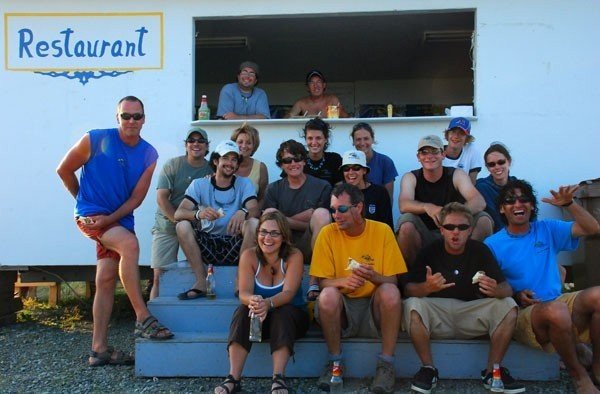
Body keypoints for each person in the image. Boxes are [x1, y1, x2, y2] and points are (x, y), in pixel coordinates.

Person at [56, 96, 173, 366]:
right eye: (125, 116)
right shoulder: (95, 139)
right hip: (93, 217)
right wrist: (83, 204)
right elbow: (64, 170)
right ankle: (143, 317)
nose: (131, 121)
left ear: (144, 118)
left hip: (118, 219)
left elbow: (135, 200)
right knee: (130, 246)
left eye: (137, 116)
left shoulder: (149, 154)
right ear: (117, 117)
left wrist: (110, 217)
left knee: (106, 280)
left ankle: (99, 350)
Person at [485, 179, 600, 394]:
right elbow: (494, 289)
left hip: (557, 303)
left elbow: (592, 228)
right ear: (502, 208)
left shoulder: (547, 229)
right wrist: (517, 295)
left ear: (531, 206)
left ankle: (597, 367)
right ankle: (579, 375)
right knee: (557, 310)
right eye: (510, 200)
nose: (518, 204)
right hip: (524, 314)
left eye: (524, 199)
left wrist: (569, 204)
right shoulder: (492, 244)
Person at [401, 202, 524, 394]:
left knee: (508, 304)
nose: (455, 232)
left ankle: (493, 370)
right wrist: (427, 287)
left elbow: (507, 287)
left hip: (472, 311)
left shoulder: (480, 250)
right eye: (450, 227)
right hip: (437, 314)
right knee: (412, 305)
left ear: (470, 230)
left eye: (462, 227)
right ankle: (428, 369)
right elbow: (407, 289)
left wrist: (496, 290)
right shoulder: (430, 251)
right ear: (441, 230)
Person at [310, 183, 407, 393]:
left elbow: (393, 281)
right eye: (333, 209)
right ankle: (335, 364)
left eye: (342, 209)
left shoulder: (382, 231)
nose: (336, 215)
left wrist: (374, 277)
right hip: (343, 309)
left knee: (390, 292)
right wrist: (342, 282)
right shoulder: (327, 234)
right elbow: (322, 282)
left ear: (359, 207)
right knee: (327, 296)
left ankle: (386, 365)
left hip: (374, 309)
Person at [214, 211, 309, 394]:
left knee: (283, 312)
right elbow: (244, 293)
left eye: (274, 233)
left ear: (284, 236)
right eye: (263, 232)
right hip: (260, 318)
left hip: (292, 319)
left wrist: (268, 303)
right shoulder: (249, 256)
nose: (268, 238)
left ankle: (278, 378)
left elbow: (289, 293)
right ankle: (233, 378)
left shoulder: (294, 255)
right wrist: (254, 301)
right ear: (257, 234)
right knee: (243, 310)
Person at [174, 140, 259, 300]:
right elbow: (179, 213)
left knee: (253, 223)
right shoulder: (199, 184)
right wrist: (199, 214)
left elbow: (255, 209)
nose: (230, 163)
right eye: (225, 158)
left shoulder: (244, 183)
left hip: (235, 243)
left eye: (234, 159)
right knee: (182, 226)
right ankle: (200, 282)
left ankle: (240, 281)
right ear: (215, 161)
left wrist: (243, 211)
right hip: (208, 243)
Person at [397, 134, 493, 267]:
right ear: (418, 157)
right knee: (406, 223)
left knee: (483, 219)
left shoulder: (456, 174)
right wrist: (428, 207)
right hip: (426, 234)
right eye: (424, 152)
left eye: (435, 151)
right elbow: (404, 204)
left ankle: (470, 269)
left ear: (443, 154)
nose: (429, 156)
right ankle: (413, 278)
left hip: (456, 231)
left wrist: (453, 217)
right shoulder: (410, 177)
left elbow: (478, 201)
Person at [149, 126, 214, 299]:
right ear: (185, 145)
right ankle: (149, 321)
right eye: (191, 140)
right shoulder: (173, 165)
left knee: (199, 271)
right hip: (166, 224)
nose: (196, 144)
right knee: (159, 276)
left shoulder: (212, 170)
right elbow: (162, 198)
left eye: (201, 141)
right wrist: (177, 221)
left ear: (207, 146)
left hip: (197, 228)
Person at [263, 139, 331, 264]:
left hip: (310, 246)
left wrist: (281, 220)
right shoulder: (273, 189)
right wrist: (304, 219)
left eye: (298, 158)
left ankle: (318, 273)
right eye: (287, 160)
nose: (293, 163)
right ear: (281, 165)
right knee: (269, 212)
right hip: (280, 245)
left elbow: (323, 226)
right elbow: (267, 225)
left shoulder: (323, 187)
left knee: (321, 214)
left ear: (304, 161)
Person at [340, 150, 393, 230]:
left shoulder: (380, 193)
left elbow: (387, 226)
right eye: (346, 168)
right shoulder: (339, 194)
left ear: (364, 170)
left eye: (356, 168)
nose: (351, 172)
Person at [476, 143, 517, 232]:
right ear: (487, 167)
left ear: (509, 161)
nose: (497, 167)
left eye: (501, 162)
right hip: (496, 237)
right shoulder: (482, 187)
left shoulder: (519, 187)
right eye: (491, 164)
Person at [350, 122, 398, 199]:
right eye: (358, 139)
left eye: (366, 139)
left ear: (372, 139)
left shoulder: (385, 162)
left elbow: (388, 198)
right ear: (353, 142)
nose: (362, 143)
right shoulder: (348, 163)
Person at [230, 123, 269, 207]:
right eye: (240, 142)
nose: (244, 146)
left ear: (254, 146)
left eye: (248, 143)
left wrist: (252, 215)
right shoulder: (226, 165)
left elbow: (262, 198)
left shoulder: (261, 168)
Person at [301, 117, 342, 186]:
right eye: (310, 138)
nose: (314, 142)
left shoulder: (335, 160)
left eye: (318, 138)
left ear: (325, 139)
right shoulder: (298, 159)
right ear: (305, 139)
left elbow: (340, 189)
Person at [442, 117, 483, 185]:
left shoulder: (472, 151)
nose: (456, 136)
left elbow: (472, 185)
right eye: (453, 132)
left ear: (467, 138)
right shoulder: (436, 152)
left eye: (461, 133)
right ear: (447, 134)